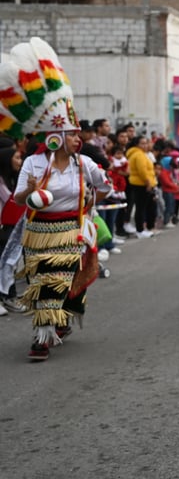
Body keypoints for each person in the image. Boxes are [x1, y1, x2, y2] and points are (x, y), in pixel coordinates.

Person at [0, 37, 112, 361]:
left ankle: (43, 338)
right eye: (73, 134)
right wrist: (30, 190)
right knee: (43, 284)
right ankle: (49, 325)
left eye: (79, 134)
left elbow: (105, 190)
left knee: (57, 282)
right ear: (56, 136)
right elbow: (20, 199)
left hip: (70, 233)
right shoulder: (34, 164)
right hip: (37, 234)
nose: (79, 139)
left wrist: (96, 193)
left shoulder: (84, 164)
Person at [0, 145, 26, 314]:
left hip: (12, 227)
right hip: (3, 228)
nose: (20, 162)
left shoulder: (13, 179)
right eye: (16, 158)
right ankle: (8, 297)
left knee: (9, 262)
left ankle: (9, 296)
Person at [126, 135, 157, 238]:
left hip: (141, 183)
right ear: (137, 145)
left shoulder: (140, 154)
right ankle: (140, 230)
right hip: (141, 184)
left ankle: (142, 229)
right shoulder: (139, 155)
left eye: (146, 143)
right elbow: (142, 171)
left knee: (142, 207)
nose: (145, 145)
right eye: (142, 143)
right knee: (141, 208)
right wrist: (148, 183)